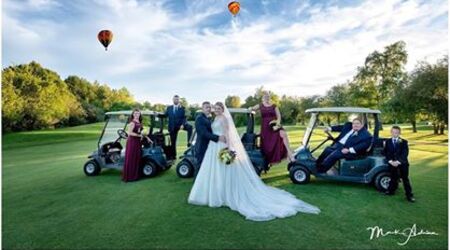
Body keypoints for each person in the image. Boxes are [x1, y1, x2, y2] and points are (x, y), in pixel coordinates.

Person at [188, 102, 320, 221]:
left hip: (220, 145)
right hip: (213, 147)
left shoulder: (223, 118)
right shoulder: (213, 118)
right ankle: (217, 192)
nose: (215, 110)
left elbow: (227, 134)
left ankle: (223, 194)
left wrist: (228, 146)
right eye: (214, 108)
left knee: (223, 170)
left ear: (222, 109)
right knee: (215, 171)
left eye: (218, 108)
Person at [250, 91, 295, 165]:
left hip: (274, 126)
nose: (266, 98)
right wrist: (250, 108)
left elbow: (279, 117)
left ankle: (290, 154)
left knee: (283, 134)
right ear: (262, 98)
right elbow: (252, 108)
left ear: (269, 98)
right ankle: (286, 157)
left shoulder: (274, 106)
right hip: (265, 128)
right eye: (265, 97)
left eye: (268, 97)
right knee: (268, 146)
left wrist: (277, 125)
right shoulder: (260, 105)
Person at [193, 101, 227, 175]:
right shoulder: (200, 118)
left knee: (209, 167)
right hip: (202, 146)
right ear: (202, 109)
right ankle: (198, 184)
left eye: (209, 107)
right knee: (200, 168)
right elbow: (203, 133)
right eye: (206, 107)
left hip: (212, 145)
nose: (208, 109)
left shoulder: (210, 118)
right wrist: (218, 138)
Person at [383, 126, 415, 202]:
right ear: (391, 132)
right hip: (392, 163)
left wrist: (397, 162)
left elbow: (405, 153)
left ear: (399, 133)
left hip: (402, 164)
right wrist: (390, 161)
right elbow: (386, 152)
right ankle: (391, 191)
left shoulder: (404, 142)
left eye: (397, 132)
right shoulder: (388, 142)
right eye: (393, 132)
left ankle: (409, 195)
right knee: (393, 178)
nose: (395, 134)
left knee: (405, 179)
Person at [122, 109, 151, 182]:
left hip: (138, 143)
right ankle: (130, 176)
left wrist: (148, 138)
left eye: (138, 113)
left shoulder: (139, 122)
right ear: (133, 114)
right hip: (132, 142)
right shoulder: (132, 123)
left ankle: (136, 175)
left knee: (137, 158)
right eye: (135, 113)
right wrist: (139, 135)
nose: (137, 115)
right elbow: (130, 133)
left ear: (139, 115)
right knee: (131, 158)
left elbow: (142, 132)